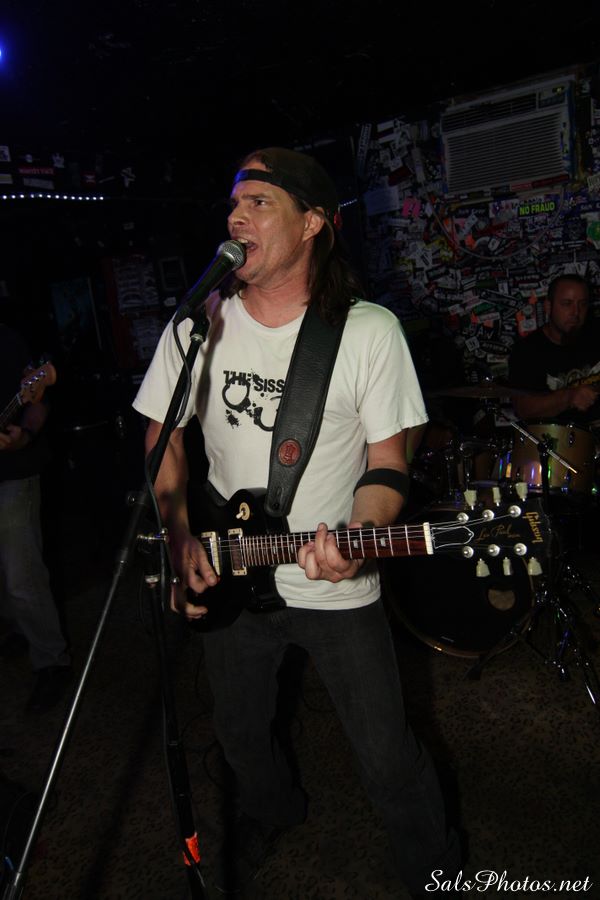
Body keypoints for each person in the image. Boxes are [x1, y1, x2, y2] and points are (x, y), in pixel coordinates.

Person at [133, 147, 461, 896]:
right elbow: (162, 437)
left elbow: (389, 461)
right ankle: (274, 810)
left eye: (259, 203)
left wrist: (358, 536)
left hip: (333, 585)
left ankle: (436, 873)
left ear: (314, 223)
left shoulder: (367, 331)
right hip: (227, 571)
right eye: (233, 203)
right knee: (241, 737)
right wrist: (180, 535)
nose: (236, 217)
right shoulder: (197, 323)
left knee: (386, 756)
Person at [0, 323, 72, 712]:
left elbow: (38, 401)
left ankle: (51, 661)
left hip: (13, 471)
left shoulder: (8, 338)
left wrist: (24, 436)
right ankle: (16, 630)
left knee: (22, 576)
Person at [508, 273, 600, 424]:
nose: (576, 312)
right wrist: (569, 397)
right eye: (567, 304)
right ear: (548, 306)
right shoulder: (527, 351)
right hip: (557, 435)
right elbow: (524, 409)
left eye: (582, 304)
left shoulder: (595, 334)